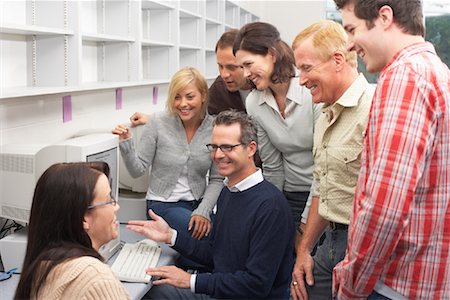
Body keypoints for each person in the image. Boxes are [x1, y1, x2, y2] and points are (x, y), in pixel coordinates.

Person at [332, 0, 450, 299]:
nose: (349, 45)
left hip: (394, 284)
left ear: (384, 17)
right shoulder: (437, 72)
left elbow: (386, 207)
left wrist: (352, 286)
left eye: (352, 29)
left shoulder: (405, 77)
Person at [126, 110, 295, 299]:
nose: (218, 155)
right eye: (214, 147)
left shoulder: (270, 207)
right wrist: (170, 236)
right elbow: (215, 254)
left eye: (228, 147)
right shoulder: (228, 192)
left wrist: (190, 281)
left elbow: (256, 285)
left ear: (251, 149)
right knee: (152, 288)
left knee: (152, 294)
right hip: (224, 290)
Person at [289, 20, 374, 300]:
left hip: (364, 247)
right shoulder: (326, 114)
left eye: (306, 68)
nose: (301, 80)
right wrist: (304, 250)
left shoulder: (374, 107)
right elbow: (323, 188)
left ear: (338, 59)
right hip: (328, 244)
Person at [113, 67, 223, 242]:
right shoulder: (157, 122)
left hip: (198, 204)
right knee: (202, 236)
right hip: (163, 205)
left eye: (189, 96)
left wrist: (204, 210)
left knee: (225, 232)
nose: (182, 103)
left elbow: (217, 179)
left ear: (203, 96)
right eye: (176, 97)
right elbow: (137, 170)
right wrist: (126, 143)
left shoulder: (215, 128)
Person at [233, 22, 321, 229]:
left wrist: (305, 223)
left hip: (322, 196)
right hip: (289, 194)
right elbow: (272, 166)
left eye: (248, 64)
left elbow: (324, 167)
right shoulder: (254, 103)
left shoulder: (311, 93)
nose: (245, 74)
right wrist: (272, 208)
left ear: (272, 54)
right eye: (242, 67)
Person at [14, 162, 130, 300]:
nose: (116, 206)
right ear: (84, 219)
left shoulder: (41, 268)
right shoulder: (96, 279)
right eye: (109, 200)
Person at [129, 29, 254, 127]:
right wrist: (151, 118)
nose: (224, 74)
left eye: (231, 67)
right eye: (220, 66)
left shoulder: (265, 87)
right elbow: (195, 113)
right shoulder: (220, 88)